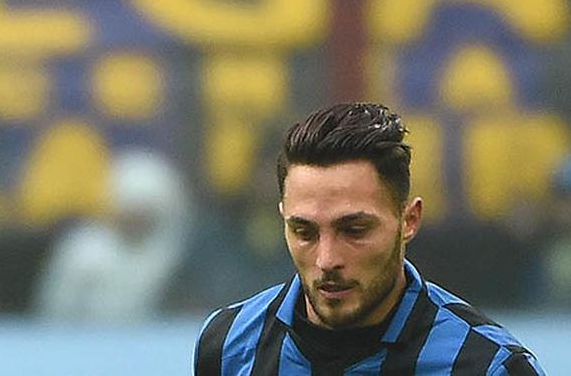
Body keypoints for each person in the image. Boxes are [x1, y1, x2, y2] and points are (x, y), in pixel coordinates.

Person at [194, 102, 544, 375]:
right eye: (304, 232)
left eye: (354, 230)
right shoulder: (229, 346)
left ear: (409, 220)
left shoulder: (486, 366)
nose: (327, 259)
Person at [33, 148, 191, 322]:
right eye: (130, 212)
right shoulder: (83, 251)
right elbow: (56, 310)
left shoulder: (179, 255)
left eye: (144, 214)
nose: (136, 221)